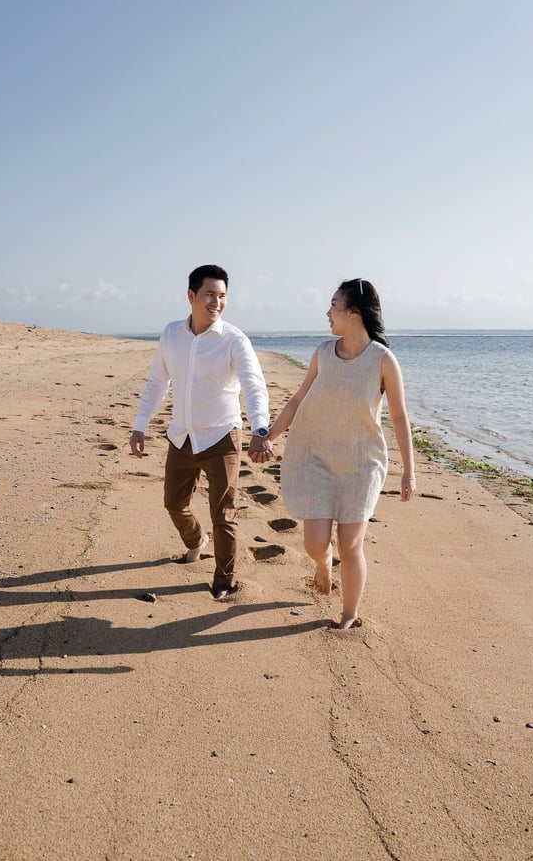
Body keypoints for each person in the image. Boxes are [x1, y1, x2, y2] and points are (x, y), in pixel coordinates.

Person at [267, 278, 416, 629]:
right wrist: (269, 435)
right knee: (315, 543)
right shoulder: (322, 353)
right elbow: (298, 399)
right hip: (317, 457)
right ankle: (322, 564)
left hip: (362, 463)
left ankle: (349, 614)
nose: (328, 312)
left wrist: (408, 470)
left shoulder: (383, 360)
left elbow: (398, 416)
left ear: (353, 313)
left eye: (334, 305)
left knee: (350, 545)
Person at [130, 264, 273, 599]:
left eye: (222, 296)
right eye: (210, 294)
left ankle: (224, 580)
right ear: (191, 295)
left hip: (222, 437)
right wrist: (139, 426)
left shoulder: (234, 340)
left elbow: (254, 386)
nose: (217, 302)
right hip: (182, 437)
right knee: (173, 504)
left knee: (223, 513)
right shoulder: (171, 334)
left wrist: (260, 427)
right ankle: (196, 541)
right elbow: (156, 383)